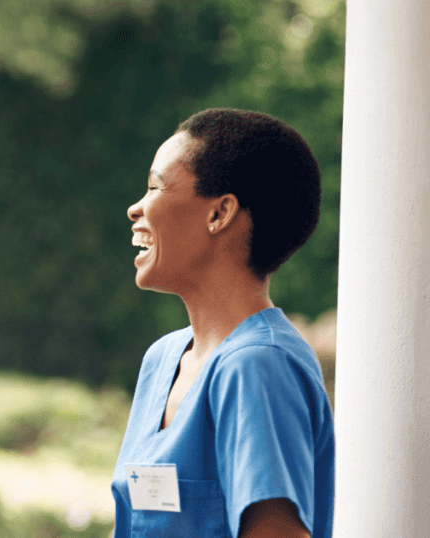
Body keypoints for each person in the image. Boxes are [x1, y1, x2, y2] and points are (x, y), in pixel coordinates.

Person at [110, 108, 334, 538]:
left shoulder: (258, 366)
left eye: (155, 186)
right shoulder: (162, 360)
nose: (135, 208)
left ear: (220, 214)